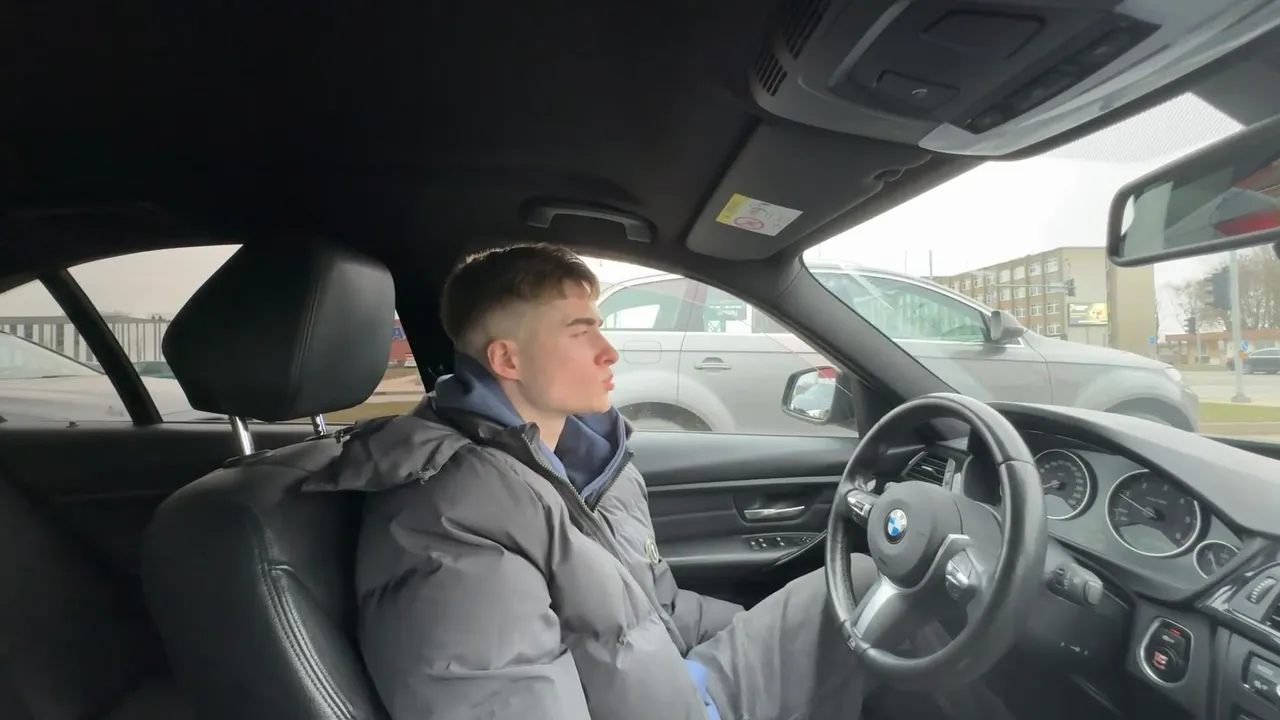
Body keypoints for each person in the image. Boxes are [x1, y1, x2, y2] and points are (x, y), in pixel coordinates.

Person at [312, 244, 885, 719]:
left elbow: (656, 610)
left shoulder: (579, 465)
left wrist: (752, 627)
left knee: (857, 588)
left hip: (669, 685)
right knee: (871, 597)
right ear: (508, 360)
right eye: (580, 331)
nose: (609, 351)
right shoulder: (453, 507)